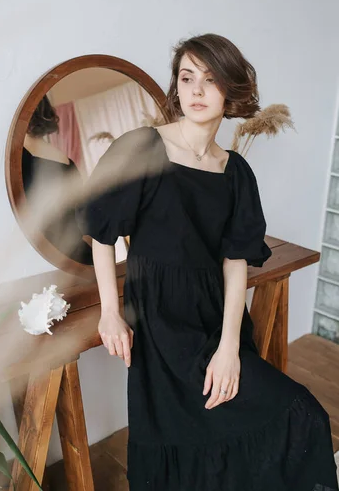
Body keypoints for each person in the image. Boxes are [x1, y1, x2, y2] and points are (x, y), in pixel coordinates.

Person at [75, 34, 338, 490]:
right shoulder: (141, 148)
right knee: (178, 439)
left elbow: (236, 262)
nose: (196, 90)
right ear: (176, 88)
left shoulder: (235, 171)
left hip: (215, 319)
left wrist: (229, 348)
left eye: (211, 79)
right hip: (158, 324)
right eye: (187, 78)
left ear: (231, 91)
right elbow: (102, 235)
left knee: (302, 413)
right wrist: (111, 314)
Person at [22, 96, 93, 265]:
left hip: (47, 258)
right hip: (79, 255)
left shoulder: (17, 160)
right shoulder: (65, 160)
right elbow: (83, 219)